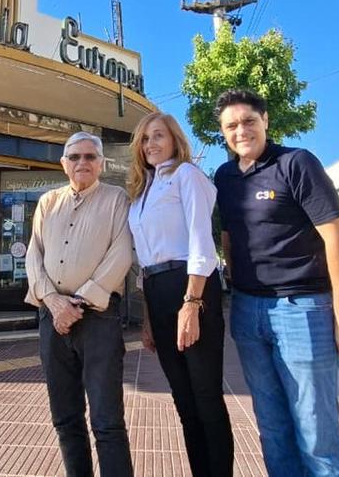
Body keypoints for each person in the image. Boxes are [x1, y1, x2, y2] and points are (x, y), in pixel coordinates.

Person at [212, 89, 339, 477]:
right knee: (272, 428)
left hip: (303, 309)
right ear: (223, 133)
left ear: (265, 121)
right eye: (231, 126)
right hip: (248, 311)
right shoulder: (225, 177)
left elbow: (337, 236)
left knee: (316, 431)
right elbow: (229, 237)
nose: (241, 131)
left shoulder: (296, 163)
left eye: (248, 121)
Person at [126, 112, 233, 477]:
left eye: (158, 135)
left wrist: (192, 304)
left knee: (206, 397)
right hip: (157, 291)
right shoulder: (141, 191)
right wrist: (148, 319)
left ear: (174, 140)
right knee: (184, 401)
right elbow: (145, 260)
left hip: (191, 287)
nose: (150, 144)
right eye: (144, 138)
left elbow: (202, 242)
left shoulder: (187, 175)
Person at [25, 131, 135, 477]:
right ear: (64, 164)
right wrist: (53, 301)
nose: (82, 162)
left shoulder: (117, 199)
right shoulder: (48, 202)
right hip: (52, 317)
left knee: (107, 421)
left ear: (101, 163)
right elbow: (33, 254)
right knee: (65, 418)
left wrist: (78, 303)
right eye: (74, 157)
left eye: (90, 156)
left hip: (98, 317)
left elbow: (122, 253)